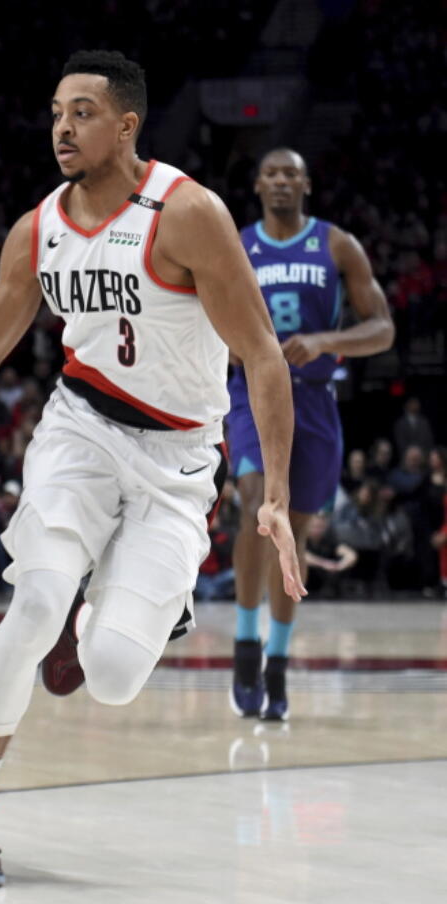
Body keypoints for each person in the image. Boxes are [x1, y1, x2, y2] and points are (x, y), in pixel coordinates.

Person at [0, 51, 304, 889]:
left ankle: (120, 612)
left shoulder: (188, 214)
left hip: (181, 459)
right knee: (33, 601)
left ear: (126, 124)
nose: (62, 128)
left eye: (82, 112)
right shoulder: (38, 226)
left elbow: (262, 356)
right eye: (54, 113)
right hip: (79, 431)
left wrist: (278, 498)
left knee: (112, 678)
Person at [227, 147, 393, 722]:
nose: (280, 180)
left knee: (292, 533)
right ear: (257, 183)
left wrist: (327, 341)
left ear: (306, 184)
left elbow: (383, 328)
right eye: (271, 172)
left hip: (315, 401)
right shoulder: (237, 245)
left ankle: (277, 660)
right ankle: (245, 645)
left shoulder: (336, 244)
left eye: (290, 173)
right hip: (251, 394)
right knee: (255, 506)